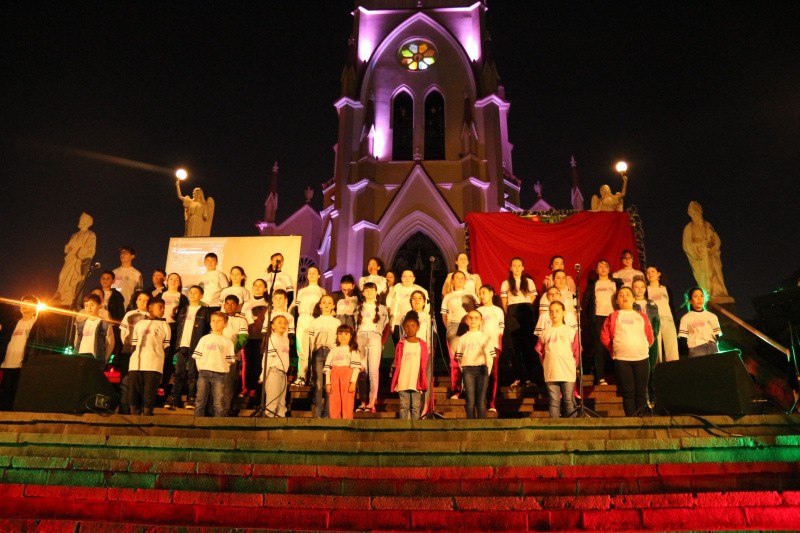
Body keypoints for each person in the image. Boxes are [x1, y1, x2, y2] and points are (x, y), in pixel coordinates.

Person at [601, 286, 654, 417]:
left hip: (642, 358)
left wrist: (643, 347)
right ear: (616, 301)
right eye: (621, 295)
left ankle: (641, 420)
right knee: (628, 393)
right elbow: (604, 336)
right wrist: (614, 349)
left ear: (634, 299)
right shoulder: (613, 317)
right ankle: (631, 420)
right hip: (622, 359)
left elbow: (649, 336)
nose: (624, 297)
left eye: (628, 294)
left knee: (641, 392)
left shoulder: (642, 316)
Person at [167, 285, 211, 410]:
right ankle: (175, 398)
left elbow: (208, 329)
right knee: (178, 373)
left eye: (196, 292)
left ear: (201, 296)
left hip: (196, 346)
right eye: (191, 292)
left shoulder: (205, 311)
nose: (192, 294)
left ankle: (192, 398)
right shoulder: (183, 310)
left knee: (193, 374)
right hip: (182, 345)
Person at [127, 297, 171, 416]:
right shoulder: (139, 324)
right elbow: (134, 344)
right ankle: (134, 414)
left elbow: (166, 347)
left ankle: (147, 413)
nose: (163, 310)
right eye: (160, 307)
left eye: (164, 308)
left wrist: (159, 359)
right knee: (133, 391)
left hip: (154, 364)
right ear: (150, 308)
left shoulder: (164, 325)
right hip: (136, 363)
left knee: (149, 392)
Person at [536, 301, 580, 418]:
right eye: (551, 311)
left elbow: (576, 351)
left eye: (557, 311)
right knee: (554, 401)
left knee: (568, 400)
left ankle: (573, 425)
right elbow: (540, 351)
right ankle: (554, 426)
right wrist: (545, 364)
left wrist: (574, 365)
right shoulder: (545, 333)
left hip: (567, 370)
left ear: (563, 312)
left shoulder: (571, 331)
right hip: (551, 371)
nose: (554, 314)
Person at [682, 201, 732, 302]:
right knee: (706, 276)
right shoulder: (689, 227)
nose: (695, 211)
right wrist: (701, 247)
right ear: (689, 213)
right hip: (701, 257)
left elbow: (716, 239)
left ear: (701, 210)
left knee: (716, 275)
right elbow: (687, 245)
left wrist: (712, 248)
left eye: (697, 209)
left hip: (712, 254)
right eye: (693, 210)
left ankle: (719, 293)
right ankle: (707, 293)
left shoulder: (707, 225)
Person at [500, 257, 538, 388]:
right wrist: (511, 313)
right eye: (514, 265)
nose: (516, 268)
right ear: (510, 268)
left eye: (519, 265)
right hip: (512, 313)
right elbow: (504, 301)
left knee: (528, 345)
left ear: (523, 268)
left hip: (526, 312)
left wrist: (526, 307)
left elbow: (533, 296)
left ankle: (528, 378)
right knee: (514, 347)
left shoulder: (529, 282)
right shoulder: (506, 283)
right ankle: (517, 377)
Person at [584, 260, 623, 385]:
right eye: (600, 266)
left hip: (614, 317)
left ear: (609, 269)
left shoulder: (616, 283)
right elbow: (586, 302)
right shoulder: (593, 285)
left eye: (606, 266)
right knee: (599, 347)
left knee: (616, 346)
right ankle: (600, 377)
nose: (603, 268)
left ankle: (618, 376)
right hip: (598, 318)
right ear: (596, 270)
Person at [441, 270, 479, 398]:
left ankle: (469, 389)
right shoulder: (448, 296)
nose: (460, 279)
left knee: (469, 357)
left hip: (469, 326)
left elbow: (477, 311)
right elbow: (444, 315)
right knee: (455, 359)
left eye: (462, 278)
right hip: (454, 325)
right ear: (452, 281)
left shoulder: (471, 294)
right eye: (457, 278)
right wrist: (449, 327)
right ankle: (456, 389)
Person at [454, 310, 496, 419]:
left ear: (481, 321)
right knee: (470, 400)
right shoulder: (462, 338)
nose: (473, 320)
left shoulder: (486, 338)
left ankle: (481, 425)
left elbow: (490, 357)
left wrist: (487, 370)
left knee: (481, 400)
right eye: (470, 317)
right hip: (468, 370)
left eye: (476, 318)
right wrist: (464, 369)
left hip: (482, 370)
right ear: (466, 320)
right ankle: (470, 425)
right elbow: (459, 358)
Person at [192, 311, 235, 417]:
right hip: (204, 373)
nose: (216, 323)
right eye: (213, 320)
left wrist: (222, 367)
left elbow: (229, 360)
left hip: (219, 375)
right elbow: (197, 356)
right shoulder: (204, 339)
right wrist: (201, 368)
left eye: (219, 321)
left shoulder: (227, 342)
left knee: (218, 402)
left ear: (225, 324)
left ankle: (218, 424)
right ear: (210, 323)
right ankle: (198, 423)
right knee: (200, 400)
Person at [355, 282, 389, 412]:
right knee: (362, 370)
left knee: (374, 371)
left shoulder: (382, 308)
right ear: (363, 292)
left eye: (372, 289)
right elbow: (354, 325)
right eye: (366, 290)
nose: (369, 292)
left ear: (376, 292)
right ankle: (362, 401)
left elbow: (386, 326)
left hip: (375, 337)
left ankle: (372, 402)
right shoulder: (358, 307)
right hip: (361, 337)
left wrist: (382, 341)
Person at [0, 295, 39, 410]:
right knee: (6, 391)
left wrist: (29, 360)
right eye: (23, 303)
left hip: (22, 363)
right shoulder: (13, 323)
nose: (24, 306)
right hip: (7, 362)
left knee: (17, 392)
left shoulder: (35, 323)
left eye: (28, 304)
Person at [391, 312, 429, 420]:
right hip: (403, 380)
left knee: (415, 407)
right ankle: (403, 427)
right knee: (404, 406)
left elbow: (424, 363)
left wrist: (422, 378)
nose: (410, 328)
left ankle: (415, 428)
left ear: (418, 327)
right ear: (403, 328)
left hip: (416, 381)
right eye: (407, 326)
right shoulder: (401, 344)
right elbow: (397, 360)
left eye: (413, 326)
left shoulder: (422, 345)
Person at [53, 212, 96, 307]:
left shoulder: (90, 234)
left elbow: (91, 250)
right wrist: (68, 247)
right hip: (70, 258)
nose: (80, 221)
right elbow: (67, 247)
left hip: (79, 259)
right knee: (62, 275)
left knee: (74, 279)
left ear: (87, 222)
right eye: (80, 219)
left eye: (83, 219)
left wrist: (80, 251)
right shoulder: (75, 234)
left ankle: (68, 297)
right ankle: (60, 295)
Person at [118, 290, 151, 411]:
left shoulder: (151, 316)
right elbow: (123, 332)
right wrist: (128, 345)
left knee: (139, 381)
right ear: (136, 301)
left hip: (144, 353)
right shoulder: (130, 314)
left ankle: (137, 409)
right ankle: (123, 408)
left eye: (146, 300)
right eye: (140, 299)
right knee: (125, 380)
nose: (143, 302)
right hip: (128, 351)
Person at [293, 266, 326, 386]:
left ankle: (313, 377)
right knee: (301, 349)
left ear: (319, 275)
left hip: (315, 319)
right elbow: (297, 307)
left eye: (314, 272)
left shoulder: (322, 291)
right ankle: (301, 375)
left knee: (314, 348)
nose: (312, 274)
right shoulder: (301, 291)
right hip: (303, 318)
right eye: (309, 272)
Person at [309, 294, 340, 417]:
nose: (326, 304)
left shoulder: (336, 322)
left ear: (333, 306)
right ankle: (317, 414)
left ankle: (327, 413)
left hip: (331, 353)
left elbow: (338, 340)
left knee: (329, 384)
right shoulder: (314, 321)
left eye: (329, 302)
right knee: (318, 384)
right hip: (318, 352)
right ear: (320, 305)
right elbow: (311, 340)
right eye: (324, 302)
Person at [632, 276, 661, 406]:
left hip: (652, 339)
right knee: (641, 369)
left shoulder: (652, 304)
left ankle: (653, 399)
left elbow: (657, 320)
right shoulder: (631, 305)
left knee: (652, 368)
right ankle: (643, 399)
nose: (639, 289)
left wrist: (653, 334)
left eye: (642, 287)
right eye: (636, 287)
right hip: (637, 339)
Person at [324, 324, 361, 419]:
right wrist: (328, 383)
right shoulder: (333, 351)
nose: (343, 336)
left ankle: (347, 421)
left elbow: (356, 368)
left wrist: (353, 382)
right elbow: (328, 369)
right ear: (337, 335)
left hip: (347, 376)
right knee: (334, 399)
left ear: (351, 336)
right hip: (334, 376)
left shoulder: (353, 350)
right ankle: (335, 421)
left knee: (347, 399)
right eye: (340, 334)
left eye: (346, 334)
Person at [241, 279, 269, 406]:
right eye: (255, 285)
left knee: (258, 363)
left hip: (262, 337)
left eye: (260, 285)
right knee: (247, 363)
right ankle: (245, 388)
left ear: (265, 289)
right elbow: (243, 320)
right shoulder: (247, 303)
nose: (257, 288)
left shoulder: (268, 303)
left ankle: (254, 389)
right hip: (249, 337)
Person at [477, 285, 504, 413]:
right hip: (479, 346)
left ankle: (492, 403)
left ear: (491, 293)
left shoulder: (498, 311)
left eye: (484, 293)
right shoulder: (478, 310)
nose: (482, 296)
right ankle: (480, 401)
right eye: (480, 293)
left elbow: (501, 329)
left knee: (493, 373)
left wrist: (498, 345)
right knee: (481, 373)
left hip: (493, 345)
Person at [645, 266, 679, 363]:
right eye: (648, 272)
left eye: (652, 271)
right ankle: (657, 368)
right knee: (656, 350)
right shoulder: (646, 290)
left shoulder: (666, 289)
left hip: (668, 320)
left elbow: (671, 306)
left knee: (672, 348)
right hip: (653, 321)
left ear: (658, 274)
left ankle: (674, 368)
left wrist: (675, 323)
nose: (650, 274)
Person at [259, 315, 291, 417]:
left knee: (281, 401)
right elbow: (268, 357)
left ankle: (280, 418)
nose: (283, 324)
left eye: (285, 323)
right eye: (280, 322)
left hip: (283, 372)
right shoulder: (272, 338)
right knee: (272, 399)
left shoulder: (286, 339)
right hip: (274, 371)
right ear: (273, 326)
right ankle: (269, 419)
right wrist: (263, 374)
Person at [221, 295, 248, 416]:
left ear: (237, 306)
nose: (229, 306)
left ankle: (227, 410)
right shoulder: (218, 318)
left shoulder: (241, 321)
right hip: (216, 358)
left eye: (232, 304)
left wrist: (231, 351)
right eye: (227, 303)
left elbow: (243, 339)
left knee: (229, 385)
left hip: (232, 358)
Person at [386, 270, 428, 344]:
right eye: (405, 276)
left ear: (414, 278)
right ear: (401, 278)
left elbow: (426, 308)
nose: (407, 278)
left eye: (410, 276)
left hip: (414, 324)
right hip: (398, 322)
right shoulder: (397, 288)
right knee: (400, 345)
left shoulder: (421, 290)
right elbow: (388, 302)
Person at [678, 287, 722, 357]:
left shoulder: (712, 316)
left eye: (701, 296)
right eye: (696, 296)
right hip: (696, 349)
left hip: (712, 348)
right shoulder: (685, 318)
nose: (699, 299)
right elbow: (683, 338)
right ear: (690, 301)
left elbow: (717, 335)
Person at [74, 294, 114, 361]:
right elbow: (76, 340)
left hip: (96, 358)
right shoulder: (80, 324)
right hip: (80, 357)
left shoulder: (104, 324)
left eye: (92, 305)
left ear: (99, 306)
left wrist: (105, 359)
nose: (89, 308)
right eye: (86, 305)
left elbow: (110, 343)